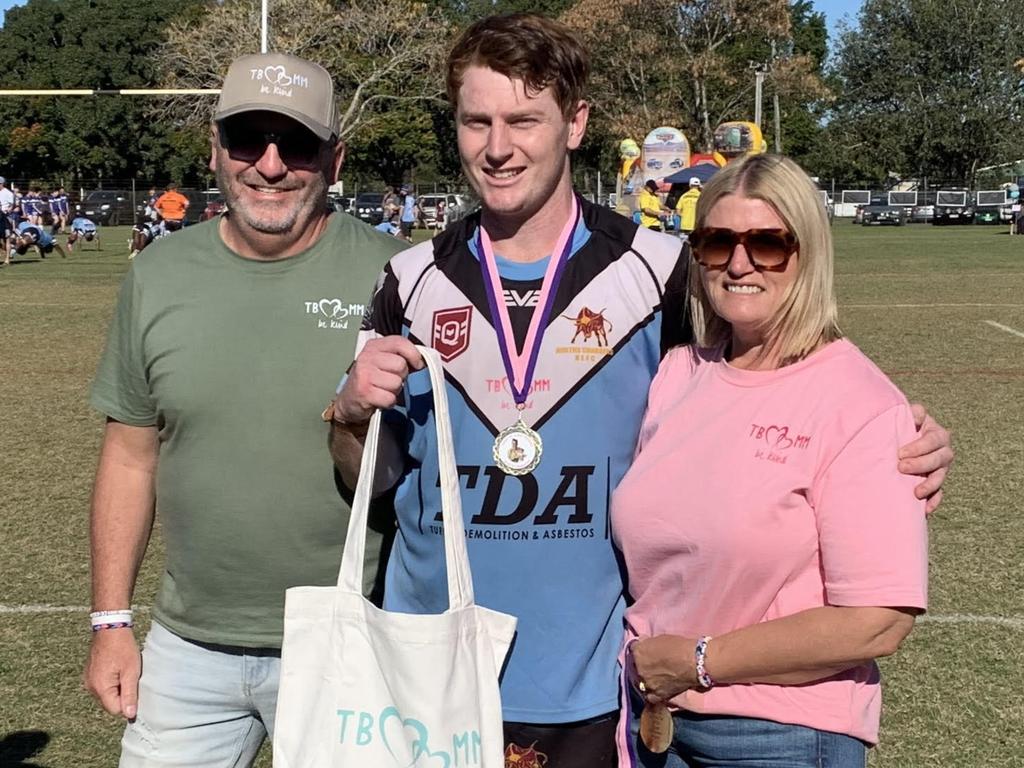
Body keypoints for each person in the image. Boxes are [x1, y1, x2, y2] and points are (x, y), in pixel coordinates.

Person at [327, 14, 952, 766]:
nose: (498, 147)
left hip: (593, 687)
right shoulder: (409, 278)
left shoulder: (663, 272)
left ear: (576, 123)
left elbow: (781, 374)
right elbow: (366, 479)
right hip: (428, 679)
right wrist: (348, 415)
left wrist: (905, 438)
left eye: (524, 120)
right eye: (476, 121)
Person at [83, 51, 405, 767]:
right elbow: (130, 455)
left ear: (335, 157)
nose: (269, 164)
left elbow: (410, 478)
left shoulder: (401, 274)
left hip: (351, 642)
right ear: (215, 150)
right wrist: (111, 620)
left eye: (296, 144)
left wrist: (348, 420)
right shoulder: (158, 274)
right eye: (246, 140)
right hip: (187, 652)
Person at [613, 155, 929, 767]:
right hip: (654, 723)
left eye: (767, 243)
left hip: (778, 736)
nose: (738, 262)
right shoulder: (678, 374)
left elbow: (877, 621)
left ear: (807, 253)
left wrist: (697, 661)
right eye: (717, 241)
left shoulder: (858, 403)